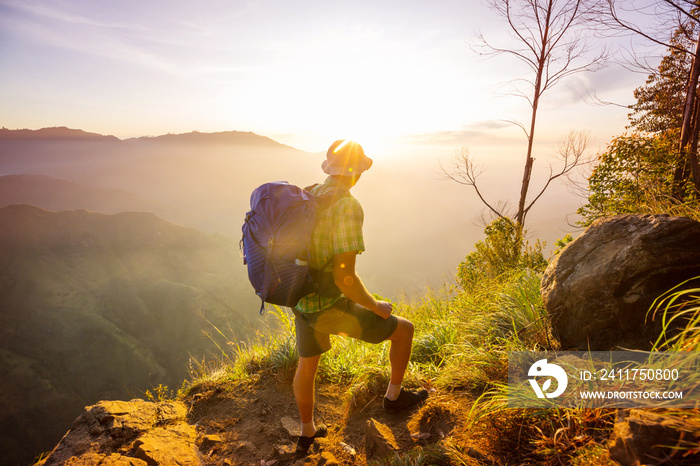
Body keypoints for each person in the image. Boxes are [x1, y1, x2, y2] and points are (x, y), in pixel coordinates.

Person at [292, 139, 428, 454]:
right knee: (404, 329)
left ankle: (307, 433)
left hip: (301, 300)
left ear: (328, 169)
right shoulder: (347, 206)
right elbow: (345, 279)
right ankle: (394, 398)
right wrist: (376, 306)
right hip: (332, 305)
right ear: (357, 174)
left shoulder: (307, 193)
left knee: (306, 365)